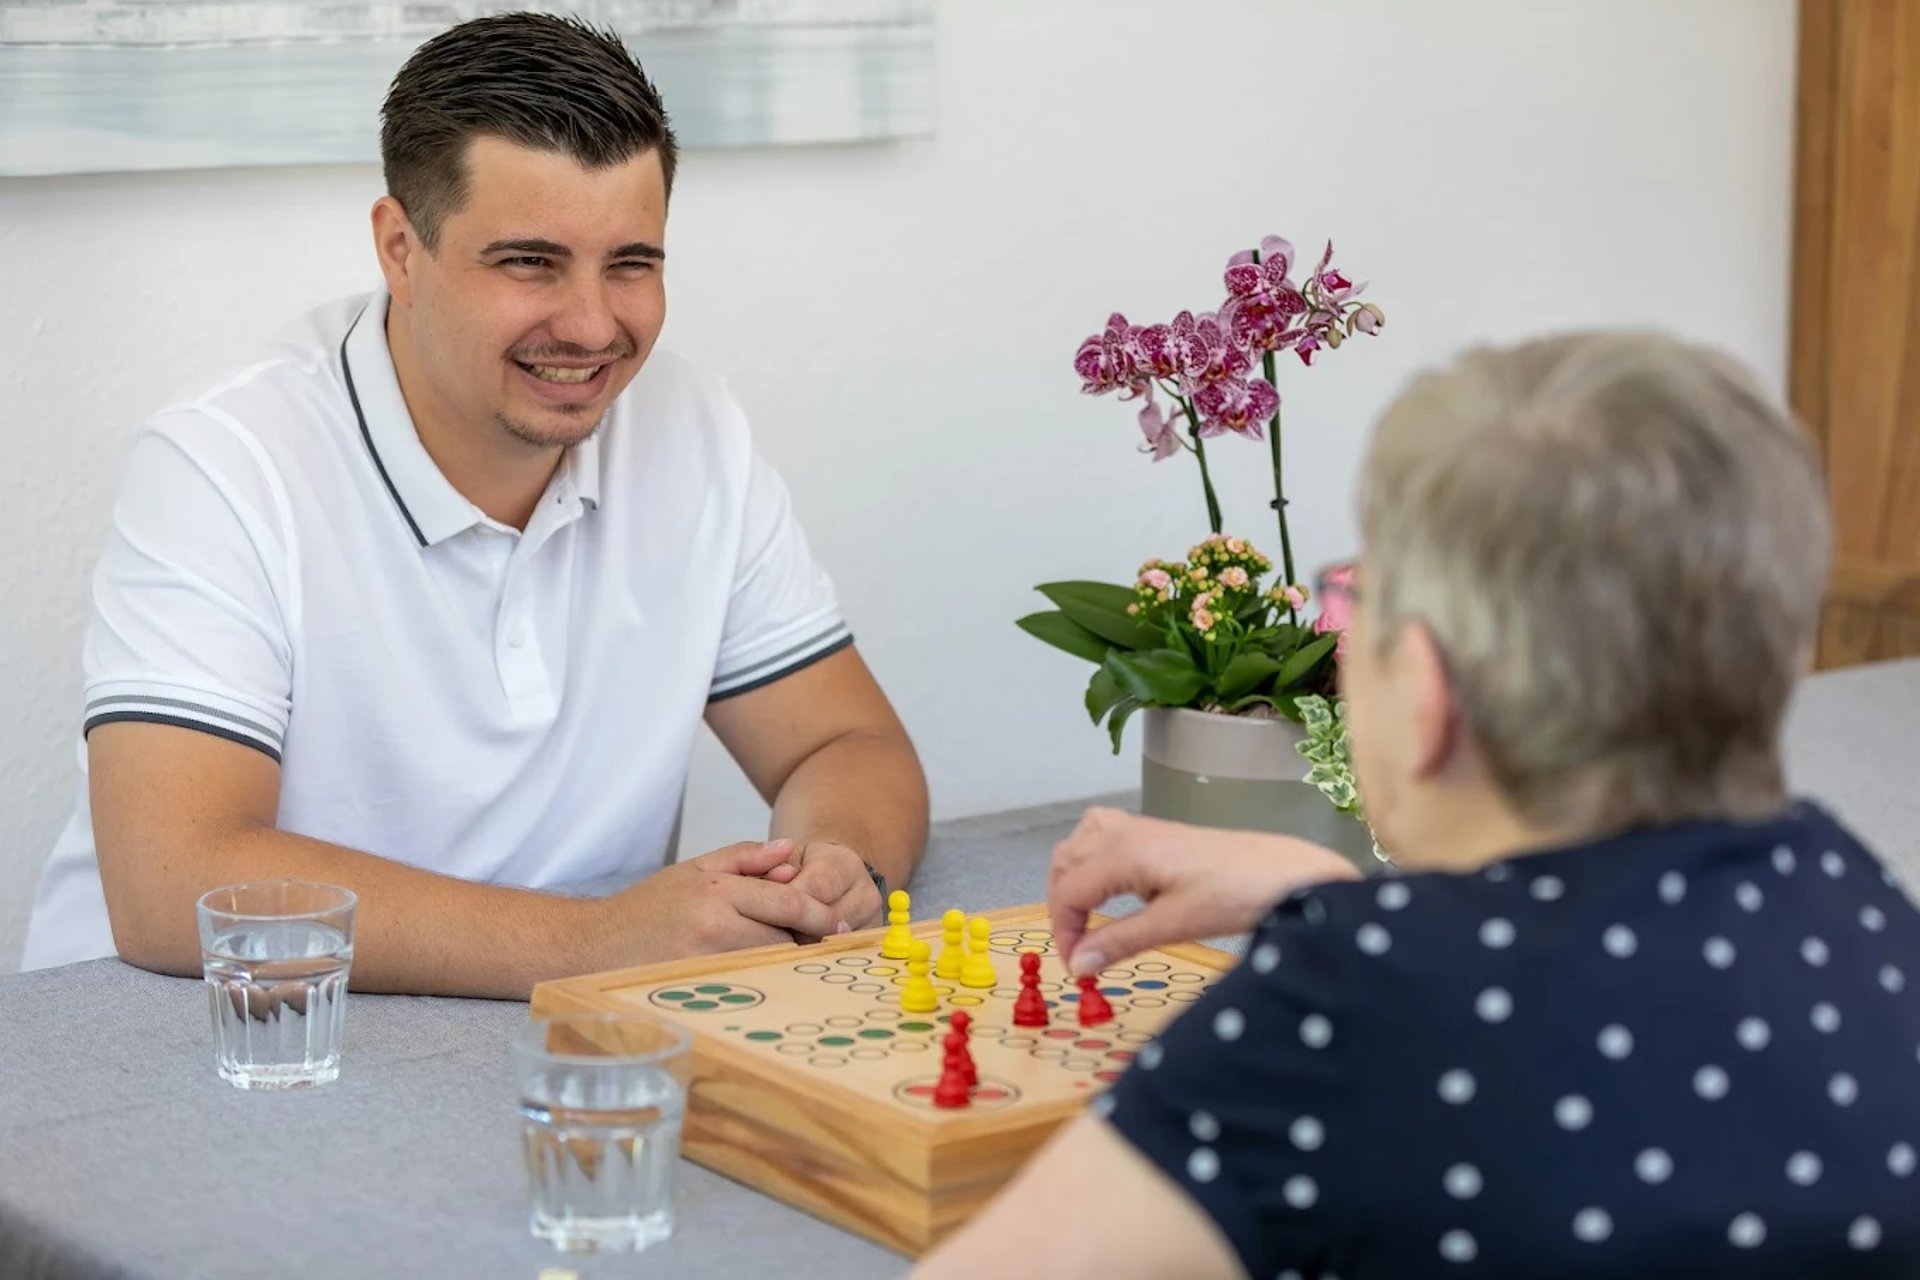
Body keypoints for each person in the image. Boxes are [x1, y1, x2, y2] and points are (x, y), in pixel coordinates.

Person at [917, 333, 1920, 1277]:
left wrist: (1351, 953)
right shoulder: (1866, 908)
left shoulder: (1345, 1011)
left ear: (1429, 695)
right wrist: (1357, 904)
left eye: (1356, 610)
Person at [20, 13, 928, 997]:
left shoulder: (694, 428)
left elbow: (848, 744)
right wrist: (597, 943)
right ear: (399, 249)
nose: (592, 326)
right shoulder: (225, 460)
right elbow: (171, 881)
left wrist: (837, 868)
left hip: (522, 1041)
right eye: (530, 261)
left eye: (632, 262)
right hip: (177, 1047)